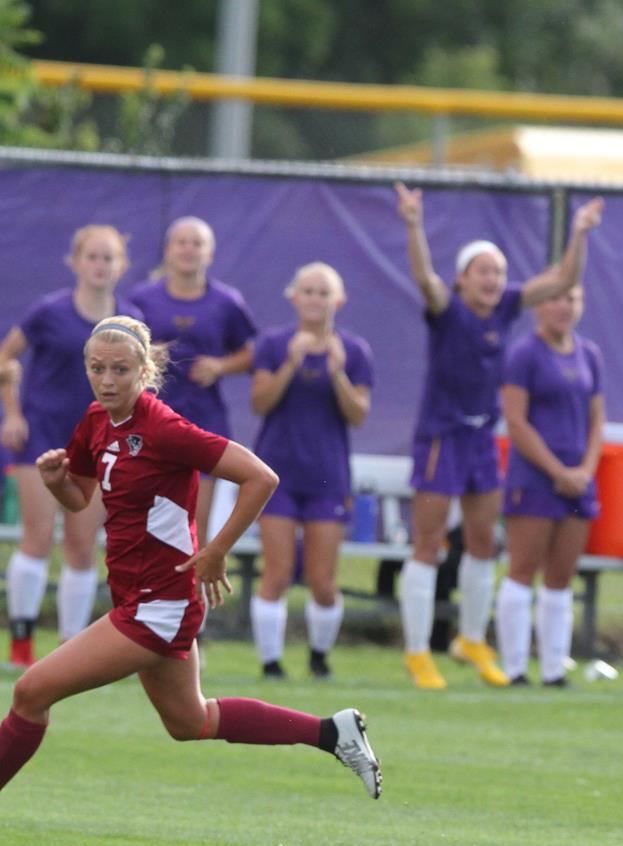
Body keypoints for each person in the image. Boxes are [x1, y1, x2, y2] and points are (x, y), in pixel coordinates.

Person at [0, 316, 379, 799]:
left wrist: (216, 551)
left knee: (31, 692)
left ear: (145, 371)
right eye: (98, 368)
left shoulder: (163, 427)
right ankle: (332, 732)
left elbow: (261, 477)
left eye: (120, 369)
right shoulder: (97, 420)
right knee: (189, 720)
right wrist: (57, 482)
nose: (108, 379)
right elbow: (80, 499)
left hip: (160, 604)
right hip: (137, 595)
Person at [392, 183, 602, 690]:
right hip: (442, 434)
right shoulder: (447, 308)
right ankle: (418, 651)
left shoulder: (509, 306)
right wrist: (414, 224)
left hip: (482, 438)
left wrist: (579, 232)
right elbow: (424, 277)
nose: (492, 280)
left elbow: (564, 279)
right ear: (463, 278)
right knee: (429, 542)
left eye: (499, 272)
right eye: (482, 271)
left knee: (484, 542)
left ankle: (470, 640)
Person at [1, 224, 129, 666]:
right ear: (75, 263)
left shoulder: (128, 322)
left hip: (95, 445)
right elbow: (6, 357)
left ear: (121, 266)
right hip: (40, 438)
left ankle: (70, 648)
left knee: (81, 545)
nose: (100, 265)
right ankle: (20, 643)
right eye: (92, 257)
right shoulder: (48, 311)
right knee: (36, 538)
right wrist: (13, 414)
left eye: (108, 258)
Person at [246, 262, 373, 680]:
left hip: (327, 476)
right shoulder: (273, 344)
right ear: (294, 297)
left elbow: (358, 414)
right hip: (277, 473)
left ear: (338, 301)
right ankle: (270, 662)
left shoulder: (354, 351)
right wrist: (290, 364)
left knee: (322, 580)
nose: (315, 300)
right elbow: (260, 403)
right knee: (277, 573)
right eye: (308, 291)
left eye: (324, 293)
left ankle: (319, 657)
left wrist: (336, 372)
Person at [122, 216, 258, 539]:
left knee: (194, 526)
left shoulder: (226, 302)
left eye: (197, 243)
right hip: (150, 419)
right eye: (181, 242)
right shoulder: (141, 299)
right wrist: (145, 356)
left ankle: (190, 589)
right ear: (168, 250)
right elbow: (118, 350)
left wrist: (221, 366)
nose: (188, 249)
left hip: (203, 419)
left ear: (209, 254)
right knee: (144, 525)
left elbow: (252, 354)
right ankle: (145, 590)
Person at [496, 285, 605, 688]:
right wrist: (558, 471)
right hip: (536, 479)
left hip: (578, 482)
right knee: (522, 570)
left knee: (561, 575)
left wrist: (585, 470)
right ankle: (515, 668)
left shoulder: (589, 353)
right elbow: (517, 422)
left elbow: (597, 420)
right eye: (556, 298)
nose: (564, 306)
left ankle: (555, 668)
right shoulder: (524, 354)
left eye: (572, 299)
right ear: (539, 305)